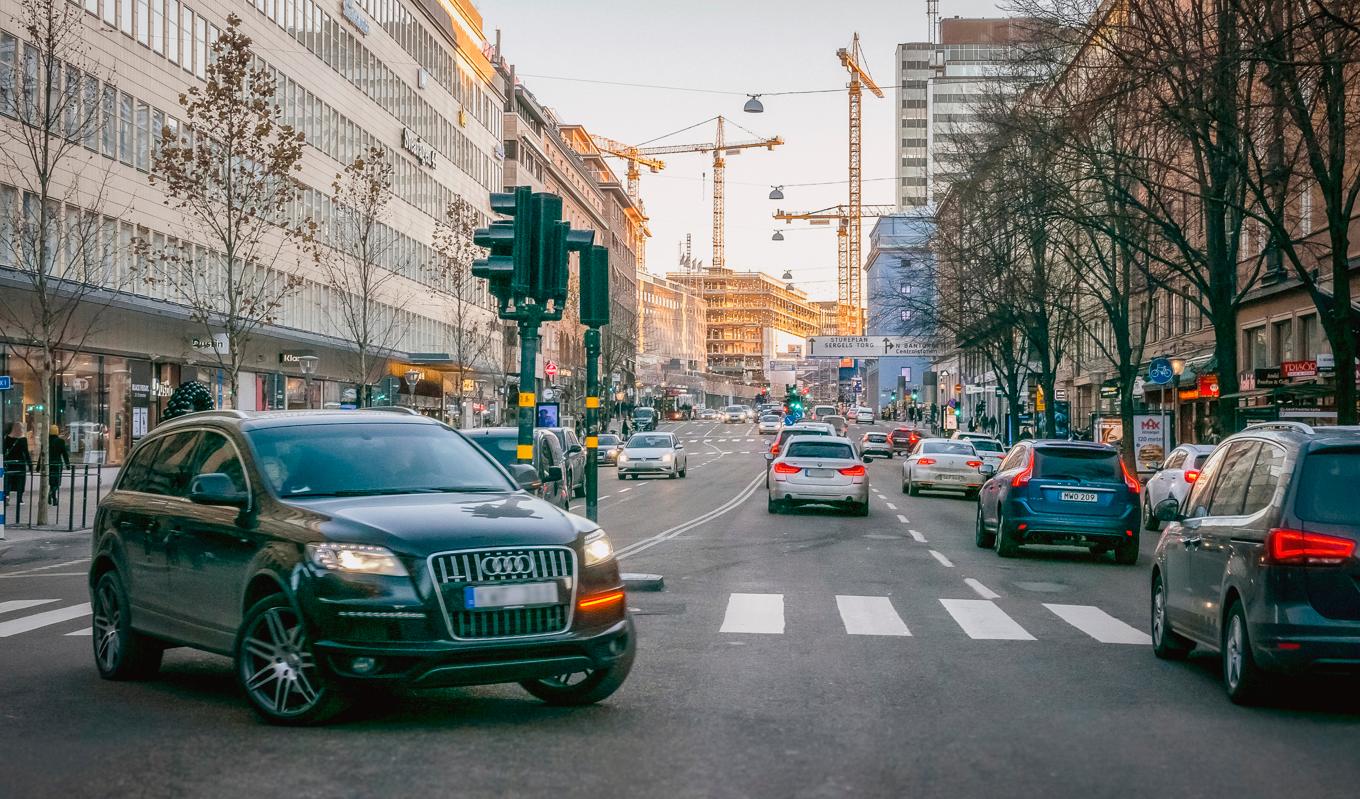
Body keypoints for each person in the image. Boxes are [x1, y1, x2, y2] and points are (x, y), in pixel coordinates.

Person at [4, 422, 33, 511]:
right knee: (20, 481)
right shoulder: (23, 439)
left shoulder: (7, 438)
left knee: (8, 480)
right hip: (20, 463)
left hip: (10, 462)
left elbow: (4, 450)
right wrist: (30, 465)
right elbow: (26, 453)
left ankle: (6, 496)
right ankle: (19, 499)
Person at [46, 424, 70, 505]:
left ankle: (51, 496)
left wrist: (39, 466)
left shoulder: (46, 441)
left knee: (51, 481)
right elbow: (64, 454)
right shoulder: (60, 441)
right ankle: (53, 496)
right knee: (57, 482)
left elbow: (42, 454)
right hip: (57, 464)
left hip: (48, 464)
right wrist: (67, 465)